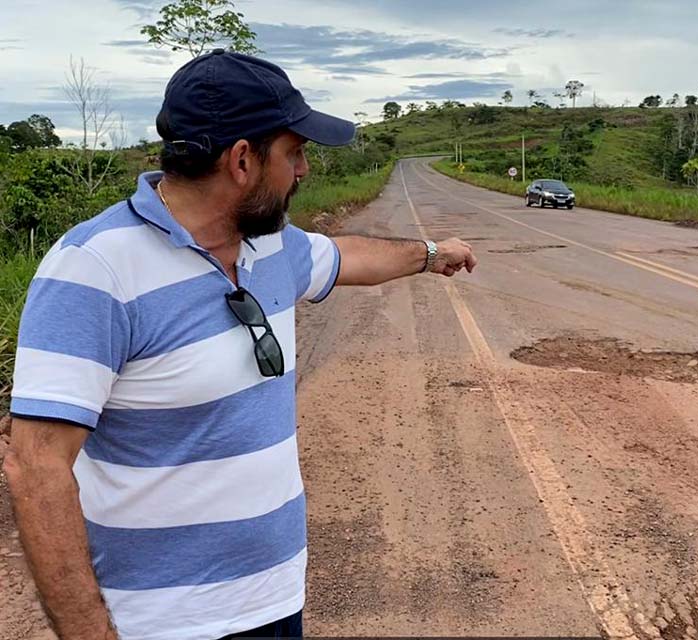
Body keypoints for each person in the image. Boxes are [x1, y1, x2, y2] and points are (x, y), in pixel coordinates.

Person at [3, 50, 477, 640]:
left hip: (274, 601)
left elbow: (349, 256)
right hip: (158, 623)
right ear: (243, 160)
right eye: (295, 152)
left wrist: (431, 255)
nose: (303, 170)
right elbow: (36, 466)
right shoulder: (94, 270)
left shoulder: (273, 245)